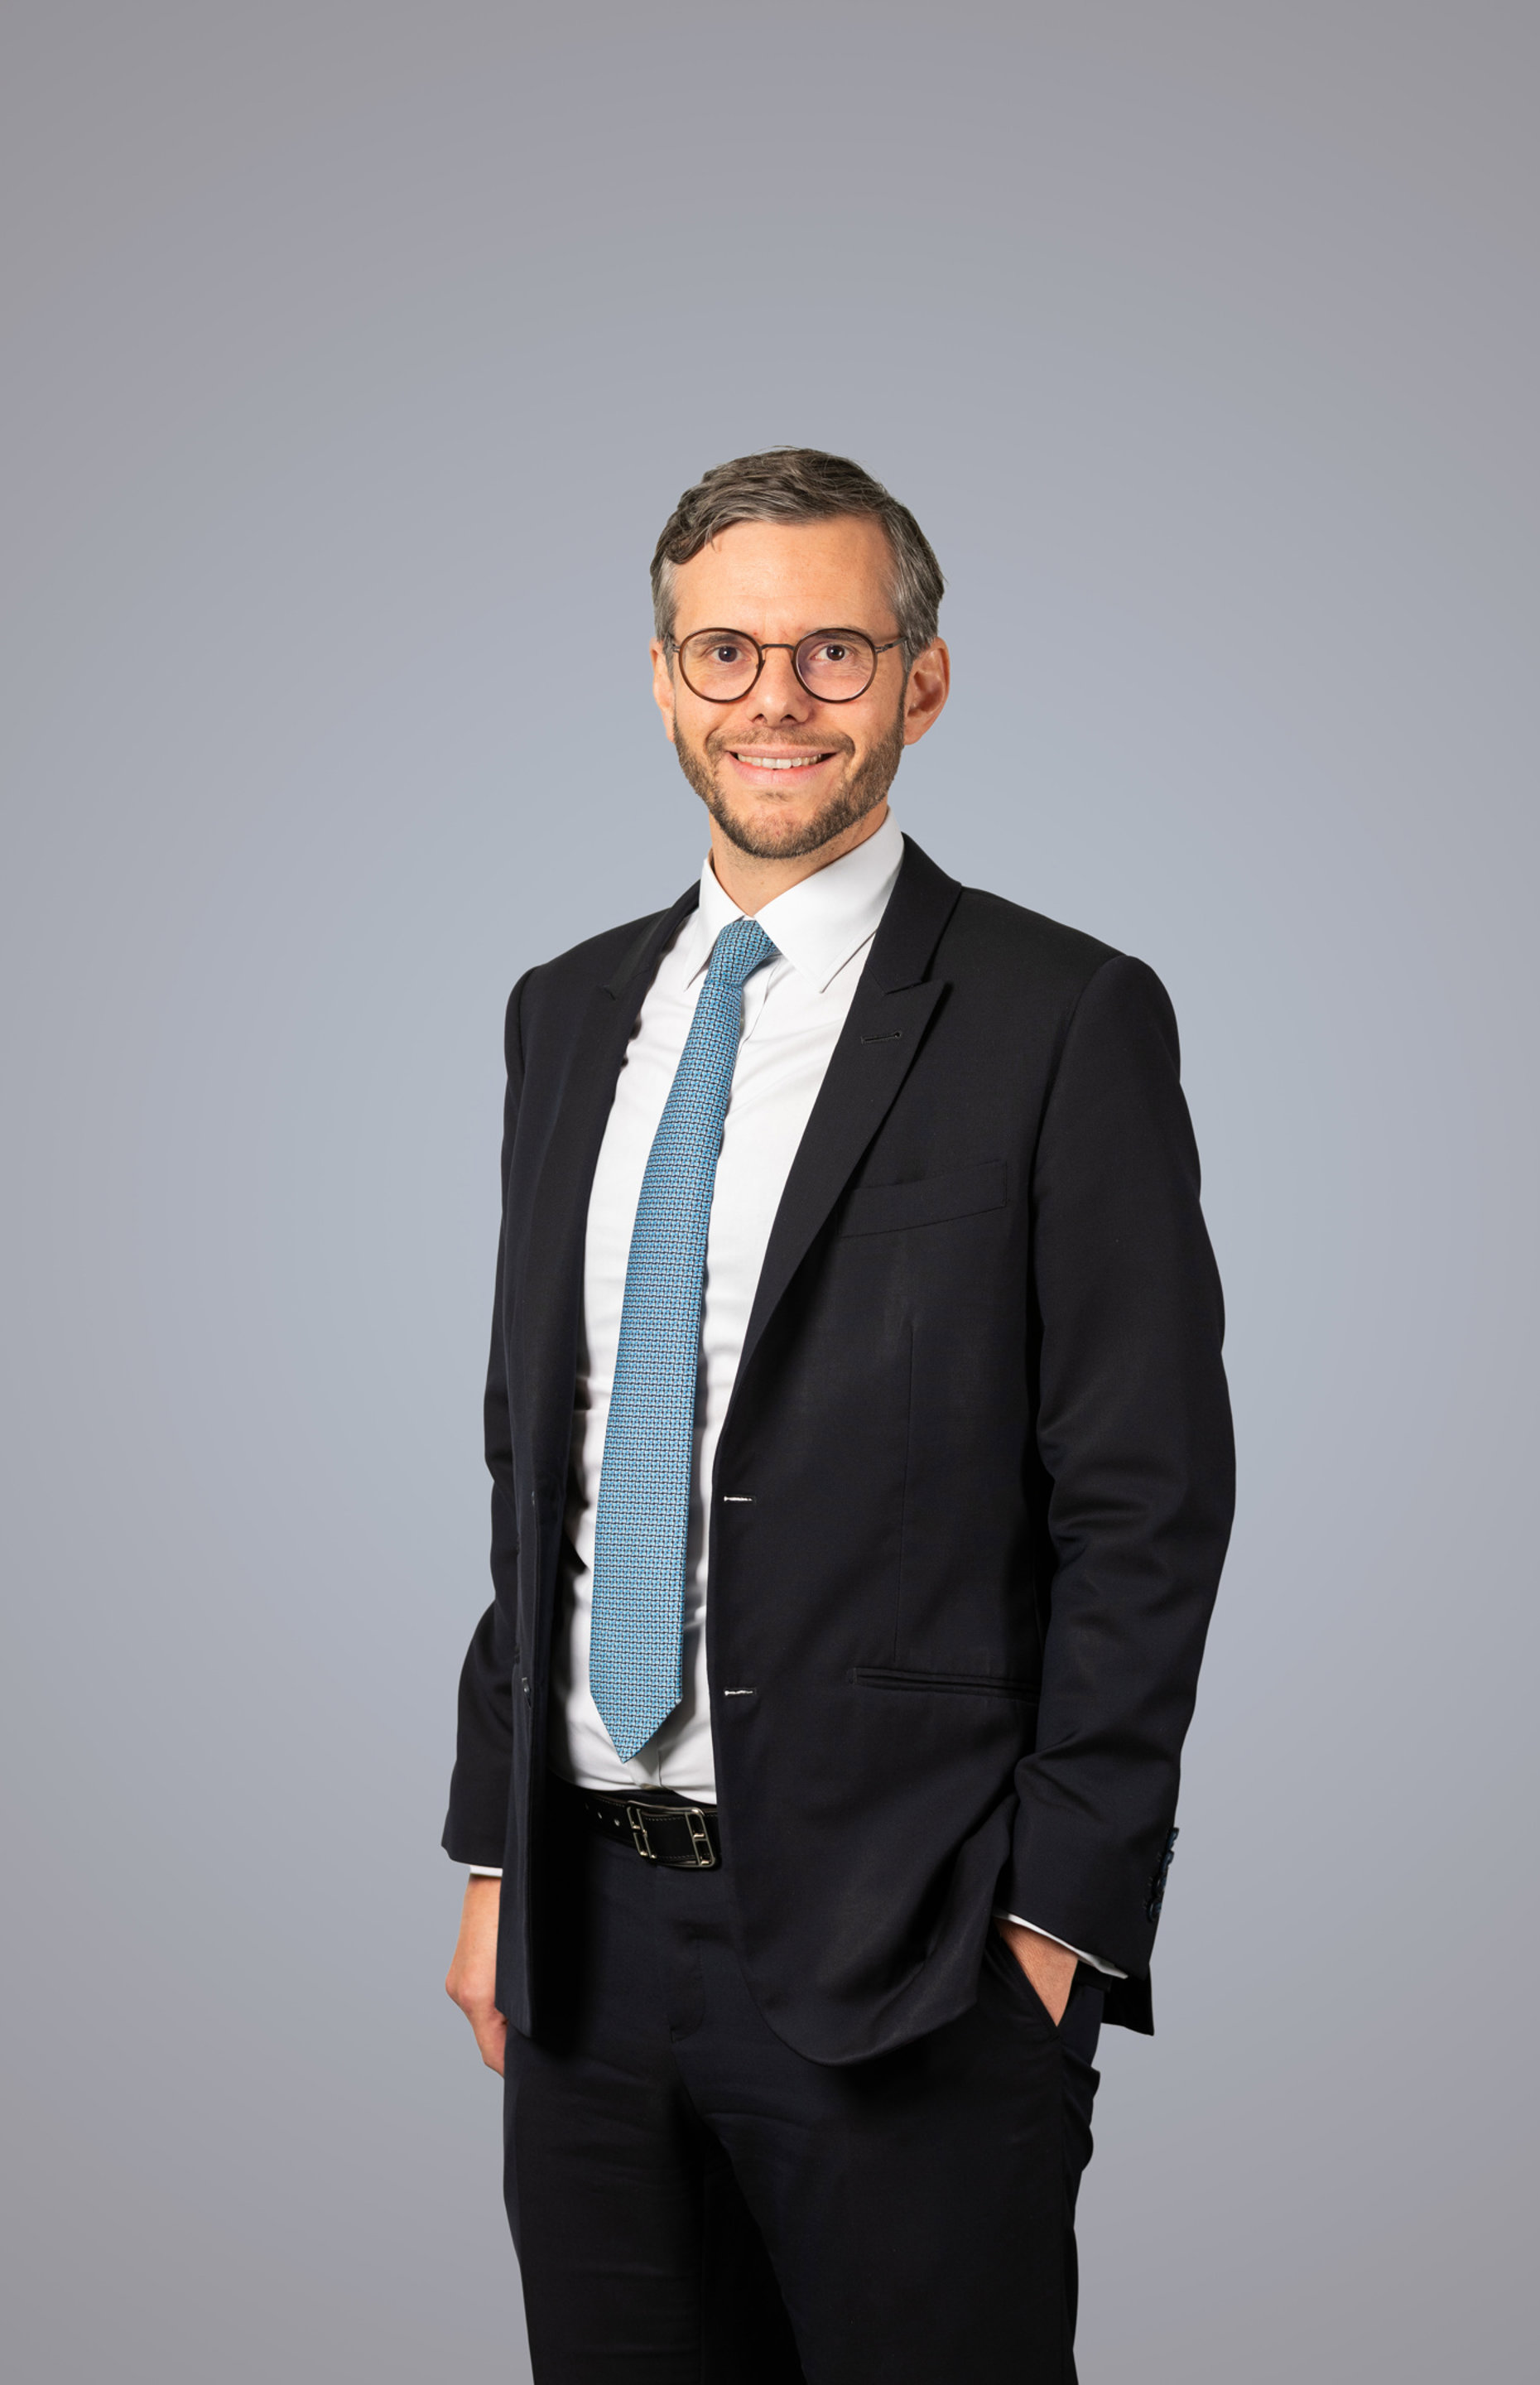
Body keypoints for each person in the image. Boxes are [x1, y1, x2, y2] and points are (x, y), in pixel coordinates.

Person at [443, 447, 1234, 2383]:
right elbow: (541, 1464)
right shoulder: (566, 1013)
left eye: (833, 650)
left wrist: (1056, 1928)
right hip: (582, 1948)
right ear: (662, 678)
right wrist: (492, 1860)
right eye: (725, 651)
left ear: (921, 680)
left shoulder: (1063, 1017)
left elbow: (1145, 1500)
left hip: (918, 1957)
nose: (774, 699)